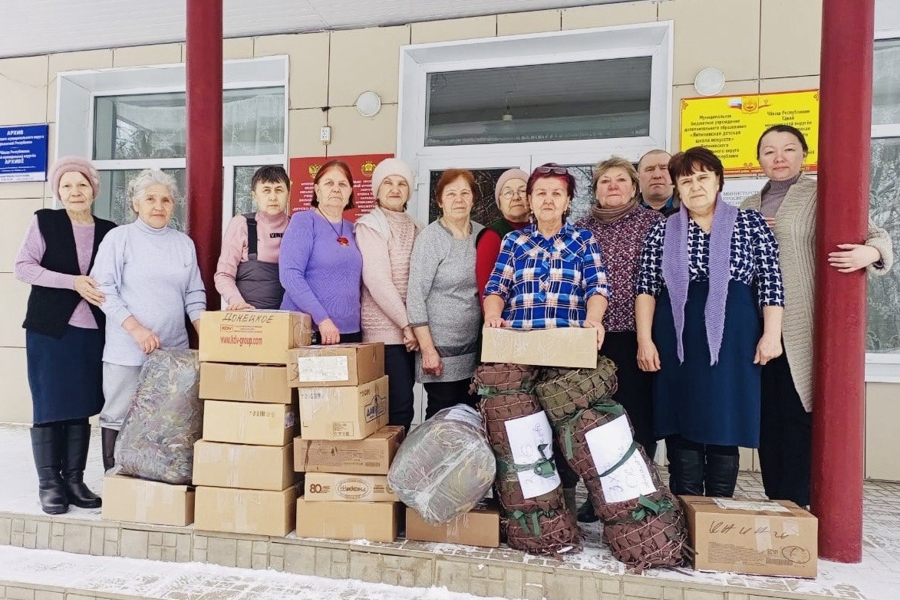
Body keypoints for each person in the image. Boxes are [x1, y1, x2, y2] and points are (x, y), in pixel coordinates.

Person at [741, 124, 894, 507]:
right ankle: (777, 500)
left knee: (798, 412)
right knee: (766, 416)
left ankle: (799, 502)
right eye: (769, 151)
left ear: (804, 155)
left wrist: (871, 254)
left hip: (799, 325)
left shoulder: (820, 193)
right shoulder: (746, 206)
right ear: (758, 159)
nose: (778, 158)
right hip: (752, 323)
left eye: (788, 149)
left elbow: (878, 235)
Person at [635, 147, 785, 498]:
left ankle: (718, 512)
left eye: (703, 177)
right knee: (681, 419)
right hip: (676, 335)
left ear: (718, 180)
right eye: (686, 181)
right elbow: (646, 289)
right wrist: (645, 340)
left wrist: (771, 335)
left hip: (734, 335)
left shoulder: (751, 223)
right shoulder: (662, 231)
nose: (695, 187)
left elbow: (771, 282)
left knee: (725, 420)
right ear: (677, 188)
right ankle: (686, 507)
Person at [484, 163, 610, 512]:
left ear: (568, 200)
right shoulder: (514, 241)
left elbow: (598, 287)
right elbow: (497, 287)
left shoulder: (583, 239)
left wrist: (594, 319)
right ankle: (528, 507)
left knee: (566, 429)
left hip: (567, 351)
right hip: (520, 351)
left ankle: (564, 505)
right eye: (541, 192)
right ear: (530, 200)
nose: (548, 199)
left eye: (557, 193)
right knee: (525, 429)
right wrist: (493, 315)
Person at [14, 157, 116, 514]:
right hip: (50, 329)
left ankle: (74, 480)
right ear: (58, 191)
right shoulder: (46, 221)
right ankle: (49, 483)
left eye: (82, 185)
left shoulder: (109, 229)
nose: (75, 191)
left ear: (94, 190)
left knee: (80, 407)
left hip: (93, 332)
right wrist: (71, 282)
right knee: (49, 405)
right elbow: (23, 267)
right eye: (67, 185)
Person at [91, 169, 206, 471]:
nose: (159, 205)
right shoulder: (119, 238)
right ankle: (114, 480)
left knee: (166, 418)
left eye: (166, 200)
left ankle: (155, 482)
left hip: (172, 353)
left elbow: (194, 293)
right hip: (128, 349)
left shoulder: (183, 244)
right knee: (118, 413)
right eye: (151, 199)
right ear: (135, 204)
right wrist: (137, 329)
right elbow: (103, 290)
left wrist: (206, 335)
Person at [574, 157, 664, 521]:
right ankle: (600, 496)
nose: (613, 186)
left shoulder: (654, 224)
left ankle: (638, 495)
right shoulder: (580, 229)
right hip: (590, 339)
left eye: (620, 180)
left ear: (634, 186)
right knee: (595, 421)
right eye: (605, 181)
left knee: (638, 418)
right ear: (595, 190)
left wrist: (649, 338)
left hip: (636, 336)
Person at [407, 169, 483, 418]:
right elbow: (416, 296)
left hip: (474, 351)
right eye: (451, 194)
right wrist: (428, 350)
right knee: (442, 419)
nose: (458, 199)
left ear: (473, 198)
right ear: (439, 201)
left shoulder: (482, 236)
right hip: (440, 352)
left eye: (464, 193)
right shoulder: (430, 239)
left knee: (470, 417)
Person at [355, 159, 421, 431]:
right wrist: (407, 324)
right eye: (388, 183)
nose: (395, 189)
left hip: (410, 332)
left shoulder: (416, 226)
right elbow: (377, 280)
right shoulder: (370, 225)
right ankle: (387, 470)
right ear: (376, 190)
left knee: (404, 408)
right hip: (384, 333)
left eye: (402, 183)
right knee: (396, 408)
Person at [280, 160, 362, 344]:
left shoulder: (354, 229)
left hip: (351, 332)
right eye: (329, 183)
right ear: (317, 190)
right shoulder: (303, 222)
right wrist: (322, 319)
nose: (336, 189)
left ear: (350, 191)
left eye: (342, 184)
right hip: (311, 331)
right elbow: (290, 275)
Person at [214, 165, 291, 310]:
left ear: (288, 194)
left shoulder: (297, 227)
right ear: (254, 196)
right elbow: (223, 275)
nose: (273, 197)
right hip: (249, 317)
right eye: (266, 190)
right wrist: (236, 301)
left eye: (279, 190)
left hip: (289, 317)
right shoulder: (242, 224)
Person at [475, 168, 530, 302]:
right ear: (499, 202)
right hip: (503, 320)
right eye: (508, 193)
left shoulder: (540, 231)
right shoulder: (492, 236)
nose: (516, 197)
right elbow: (486, 290)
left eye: (522, 191)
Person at [637, 150, 678, 216]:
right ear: (638, 177)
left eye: (664, 168)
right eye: (650, 169)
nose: (657, 175)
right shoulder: (625, 213)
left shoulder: (690, 209)